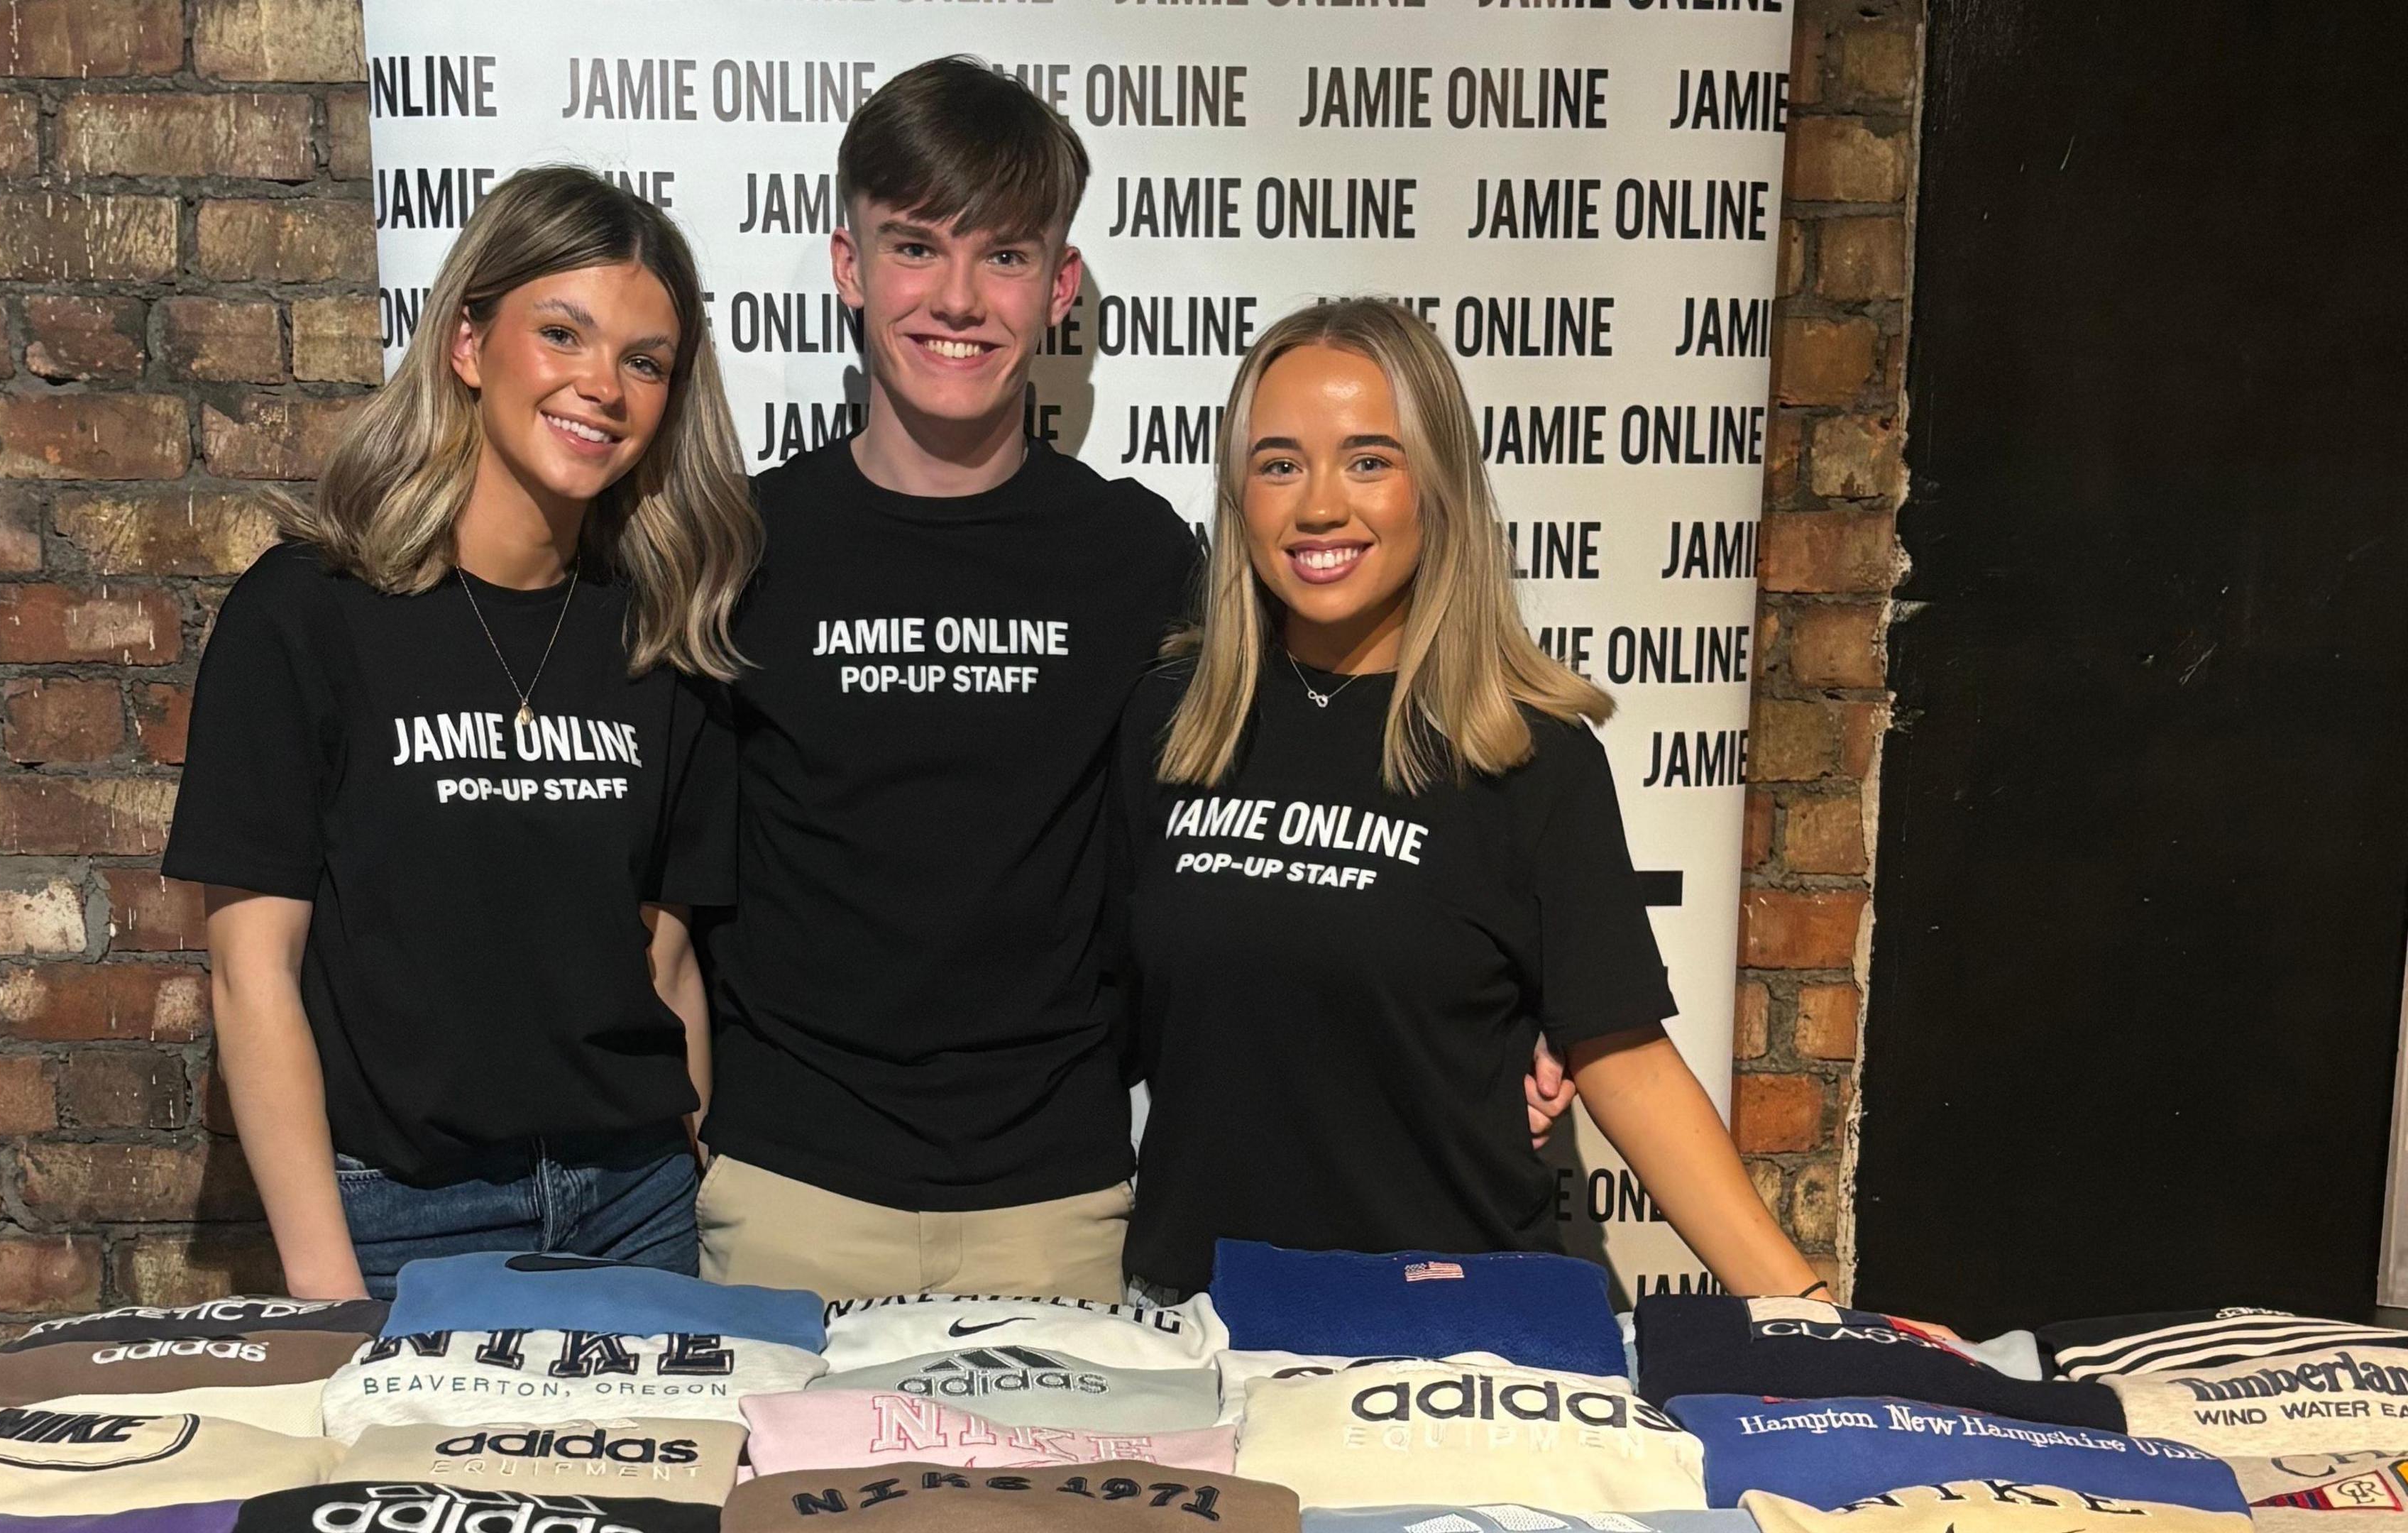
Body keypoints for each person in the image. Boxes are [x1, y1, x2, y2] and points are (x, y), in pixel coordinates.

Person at [696, 60, 1577, 1304]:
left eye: (1003, 255)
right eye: (913, 247)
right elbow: (649, 876)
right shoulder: (739, 547)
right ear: (849, 266)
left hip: (1066, 1208)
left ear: (1060, 289)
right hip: (791, 1198)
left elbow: (1333, 792)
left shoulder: (1146, 558)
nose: (957, 298)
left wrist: (1533, 1001)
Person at [1112, 298, 1824, 1301]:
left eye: (1369, 460)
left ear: (1436, 485)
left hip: (1457, 1327)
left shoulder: (1528, 755)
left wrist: (1811, 1318)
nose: (1320, 506)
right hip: (1206, 1322)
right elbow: (1107, 1011)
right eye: (1279, 464)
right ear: (1238, 495)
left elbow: (1625, 1058)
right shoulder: (1169, 725)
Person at [162, 167, 759, 1300]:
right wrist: (330, 1293)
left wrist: (691, 1169)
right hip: (398, 1220)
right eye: (563, 334)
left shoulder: (666, 636)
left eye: (645, 360)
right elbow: (252, 980)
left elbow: (666, 959)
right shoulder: (306, 615)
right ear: (471, 344)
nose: (604, 386)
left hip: (636, 1207)